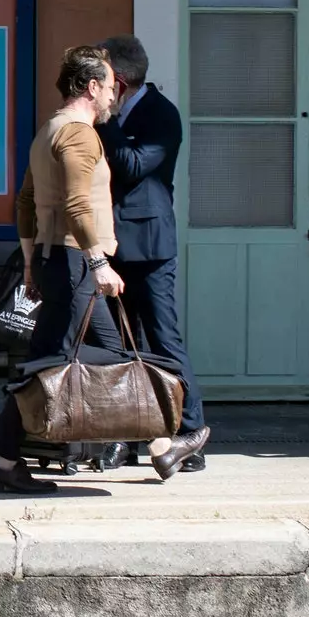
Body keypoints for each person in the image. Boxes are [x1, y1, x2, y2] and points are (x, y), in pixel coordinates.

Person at [0, 45, 125, 494]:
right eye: (109, 88)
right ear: (92, 86)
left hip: (53, 256)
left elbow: (26, 203)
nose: (113, 98)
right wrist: (99, 262)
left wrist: (29, 261)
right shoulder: (80, 134)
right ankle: (7, 456)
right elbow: (77, 204)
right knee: (49, 363)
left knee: (112, 352)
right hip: (74, 261)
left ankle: (138, 438)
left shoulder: (48, 130)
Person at [97, 34, 209, 478]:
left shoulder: (161, 114)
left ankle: (192, 434)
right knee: (121, 346)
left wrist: (105, 121)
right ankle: (124, 437)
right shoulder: (105, 114)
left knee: (163, 340)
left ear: (120, 81)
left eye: (105, 78)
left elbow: (133, 165)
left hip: (150, 245)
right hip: (109, 245)